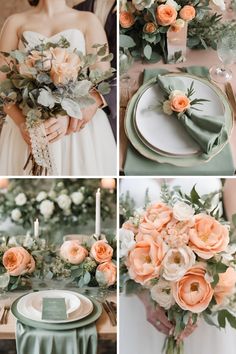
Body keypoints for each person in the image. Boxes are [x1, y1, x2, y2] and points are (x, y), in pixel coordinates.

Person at [120, 178, 236, 354]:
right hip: (139, 296)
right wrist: (145, 296)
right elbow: (122, 240)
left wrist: (198, 301)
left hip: (205, 297)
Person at [0, 0, 116, 176]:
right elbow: (2, 86)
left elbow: (102, 81)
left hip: (76, 131)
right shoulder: (15, 22)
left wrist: (68, 114)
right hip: (29, 127)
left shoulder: (88, 20)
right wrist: (23, 124)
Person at [74, 0, 117, 139]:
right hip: (77, 112)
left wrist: (99, 97)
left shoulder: (135, 7)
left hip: (113, 104)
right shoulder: (78, 10)